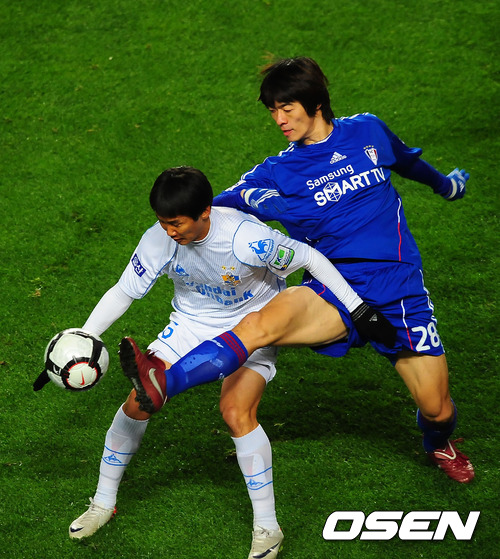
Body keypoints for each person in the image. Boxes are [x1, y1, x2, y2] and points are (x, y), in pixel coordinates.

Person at [124, 58, 474, 486]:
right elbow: (211, 208)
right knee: (260, 324)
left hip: (399, 288)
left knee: (437, 408)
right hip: (332, 288)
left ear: (316, 103)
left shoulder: (368, 132)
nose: (279, 119)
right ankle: (162, 382)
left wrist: (446, 186)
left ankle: (438, 443)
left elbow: (407, 162)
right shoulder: (277, 171)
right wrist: (189, 220)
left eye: (286, 108)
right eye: (273, 110)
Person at [40, 166, 393, 558]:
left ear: (205, 211)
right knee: (137, 403)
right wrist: (87, 335)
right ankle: (103, 503)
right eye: (162, 222)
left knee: (236, 412)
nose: (168, 231)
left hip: (251, 327)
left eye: (176, 223)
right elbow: (125, 291)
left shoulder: (246, 239)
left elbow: (309, 256)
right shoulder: (159, 238)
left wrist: (358, 309)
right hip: (190, 325)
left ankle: (268, 528)